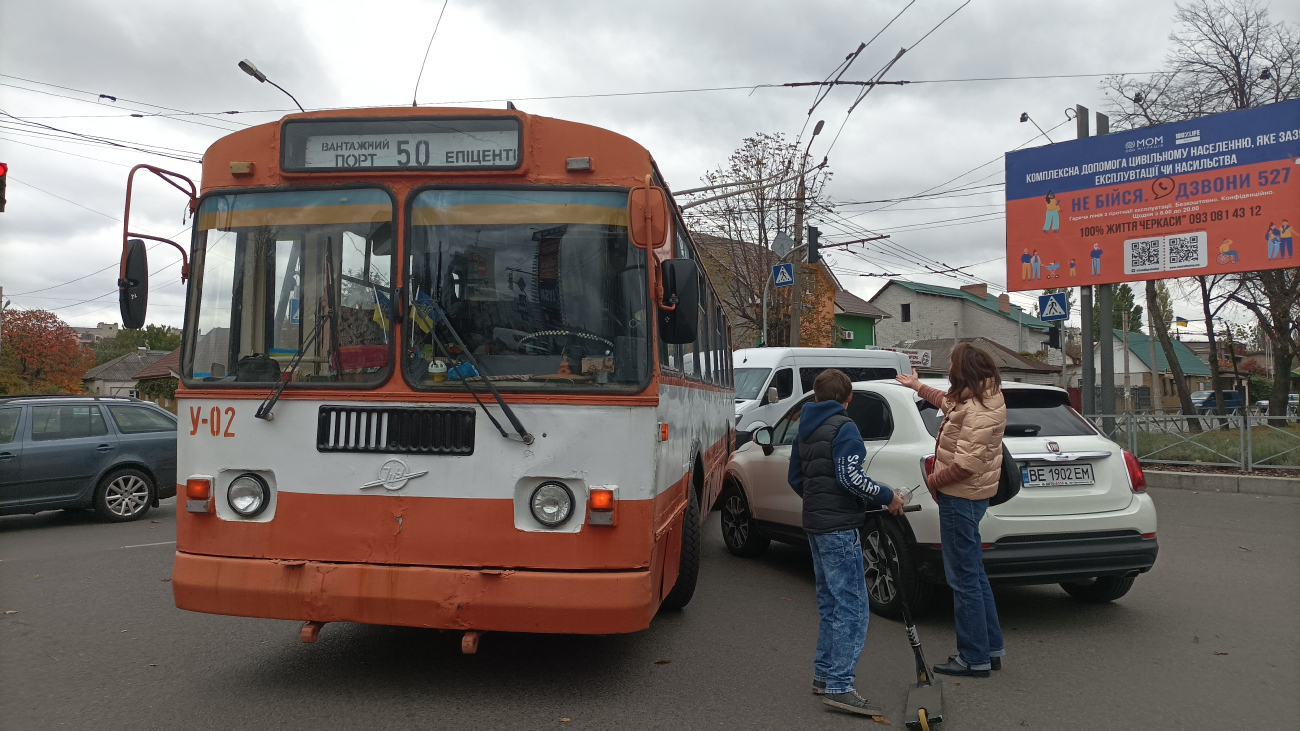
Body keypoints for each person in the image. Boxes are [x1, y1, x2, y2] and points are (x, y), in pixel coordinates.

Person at [788, 368, 906, 716]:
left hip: (815, 524)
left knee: (830, 603)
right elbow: (850, 476)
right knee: (853, 607)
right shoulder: (845, 427)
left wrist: (819, 502)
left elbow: (796, 477)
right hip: (839, 528)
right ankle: (840, 685)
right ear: (848, 399)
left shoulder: (804, 429)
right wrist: (887, 496)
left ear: (815, 396)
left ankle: (824, 675)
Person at [895, 345, 1007, 678]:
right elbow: (947, 403)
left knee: (963, 579)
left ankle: (973, 657)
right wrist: (918, 388)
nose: (948, 368)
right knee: (974, 575)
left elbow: (966, 465)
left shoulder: (979, 408)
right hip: (970, 496)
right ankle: (990, 649)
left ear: (963, 369)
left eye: (952, 364)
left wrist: (934, 480)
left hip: (961, 497)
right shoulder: (979, 396)